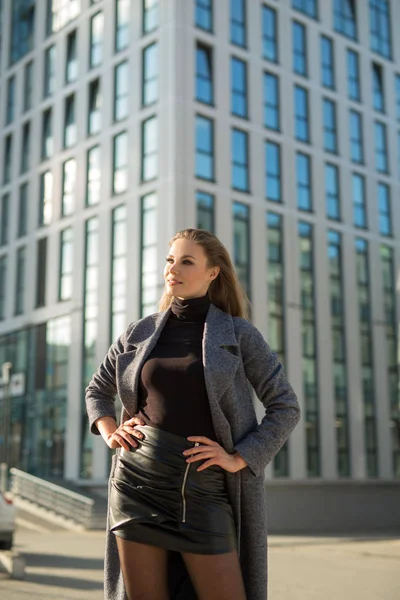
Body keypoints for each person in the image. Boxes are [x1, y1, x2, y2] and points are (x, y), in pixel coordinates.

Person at [86, 228, 301, 600]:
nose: (174, 269)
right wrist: (109, 431)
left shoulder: (238, 333)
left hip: (204, 490)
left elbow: (285, 405)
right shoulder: (139, 332)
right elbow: (97, 391)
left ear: (213, 272)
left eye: (187, 261)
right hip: (137, 482)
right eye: (171, 260)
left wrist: (239, 458)